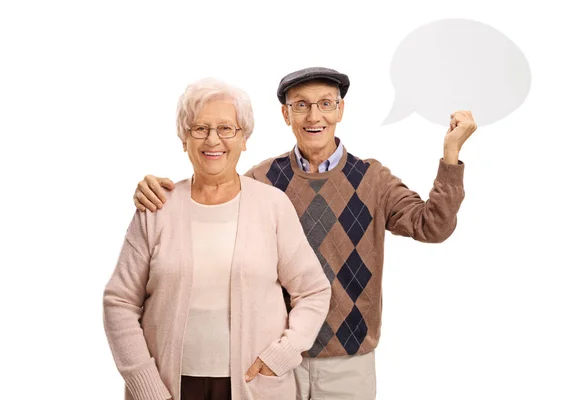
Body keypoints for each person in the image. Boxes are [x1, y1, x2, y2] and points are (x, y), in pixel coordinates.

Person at [132, 67, 478, 400]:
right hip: (272, 356)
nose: (314, 116)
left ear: (340, 110)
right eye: (301, 105)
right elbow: (208, 212)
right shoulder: (261, 180)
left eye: (326, 103)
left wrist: (451, 156)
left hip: (349, 360)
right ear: (286, 114)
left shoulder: (373, 179)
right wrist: (158, 192)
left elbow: (433, 227)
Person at [103, 77, 331, 400]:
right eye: (200, 128)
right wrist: (147, 386)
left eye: (226, 128)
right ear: (184, 138)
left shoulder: (273, 206)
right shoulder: (157, 208)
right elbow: (119, 303)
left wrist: (284, 353)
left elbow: (314, 291)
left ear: (244, 139)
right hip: (169, 388)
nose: (213, 140)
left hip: (255, 385)